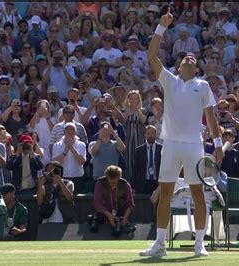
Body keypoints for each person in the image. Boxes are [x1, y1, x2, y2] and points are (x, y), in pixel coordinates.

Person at [140, 9, 222, 258]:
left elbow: (210, 117)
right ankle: (159, 245)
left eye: (193, 59)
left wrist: (218, 144)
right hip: (171, 145)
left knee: (198, 194)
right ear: (178, 65)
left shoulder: (203, 86)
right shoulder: (169, 81)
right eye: (185, 58)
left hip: (194, 146)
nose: (189, 59)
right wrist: (161, 27)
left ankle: (199, 244)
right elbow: (152, 55)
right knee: (165, 194)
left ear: (196, 68)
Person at [93, 165, 134, 236]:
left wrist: (125, 217)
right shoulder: (100, 183)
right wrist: (109, 215)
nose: (112, 185)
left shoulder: (125, 184)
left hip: (120, 213)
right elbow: (97, 203)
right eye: (110, 182)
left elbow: (130, 203)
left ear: (119, 178)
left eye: (114, 182)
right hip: (104, 213)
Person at [52, 122, 87, 194]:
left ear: (75, 132)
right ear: (64, 132)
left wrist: (72, 149)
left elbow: (81, 162)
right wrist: (66, 150)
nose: (70, 131)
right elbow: (55, 164)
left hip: (77, 178)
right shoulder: (56, 145)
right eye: (67, 129)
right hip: (61, 179)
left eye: (72, 129)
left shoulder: (81, 145)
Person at [132, 125, 162, 194]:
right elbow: (135, 169)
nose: (150, 135)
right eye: (148, 133)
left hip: (157, 183)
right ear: (145, 135)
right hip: (144, 183)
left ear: (156, 134)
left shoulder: (161, 149)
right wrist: (133, 186)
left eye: (152, 133)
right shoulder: (139, 150)